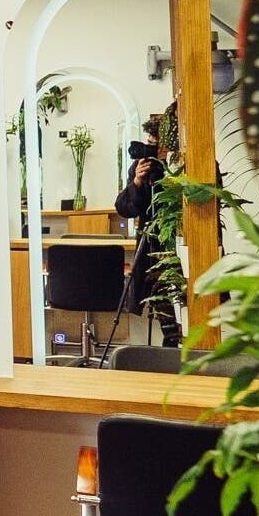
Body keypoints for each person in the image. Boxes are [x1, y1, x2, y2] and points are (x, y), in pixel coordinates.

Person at [114, 118, 184, 347]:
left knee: (183, 311)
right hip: (153, 247)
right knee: (165, 311)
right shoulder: (142, 168)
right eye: (149, 142)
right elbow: (125, 208)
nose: (150, 148)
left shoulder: (180, 166)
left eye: (155, 144)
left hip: (178, 244)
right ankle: (169, 352)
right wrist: (136, 182)